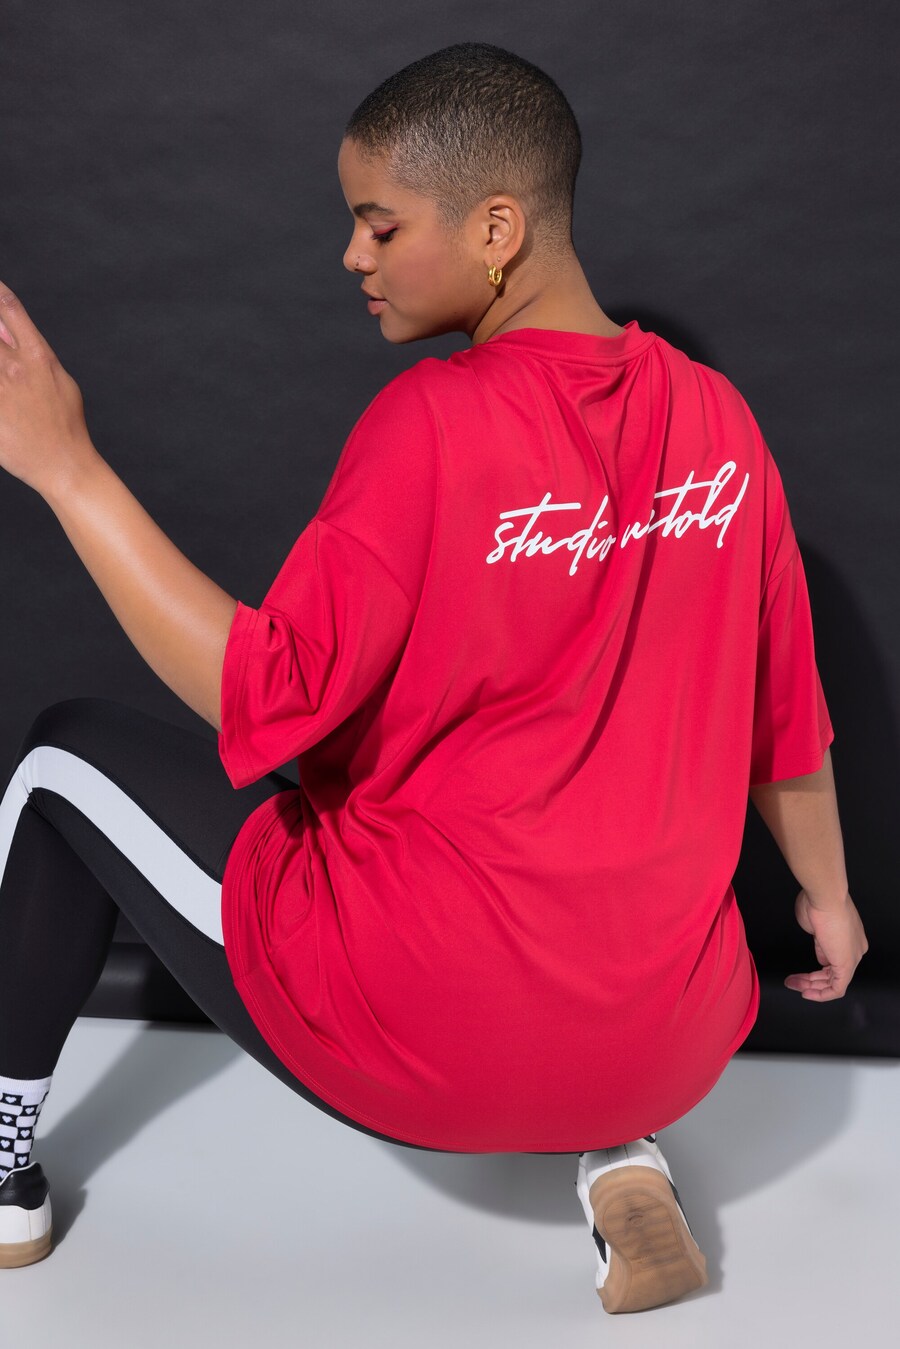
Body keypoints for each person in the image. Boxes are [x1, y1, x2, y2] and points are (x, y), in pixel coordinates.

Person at [0, 41, 868, 1312]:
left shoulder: (434, 423)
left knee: (58, 762)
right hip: (676, 1039)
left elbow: (264, 693)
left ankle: (2, 1178)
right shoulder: (723, 422)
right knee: (543, 843)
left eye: (380, 223)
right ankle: (619, 1143)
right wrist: (830, 902)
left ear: (496, 230)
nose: (353, 256)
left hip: (429, 1043)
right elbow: (784, 714)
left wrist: (66, 466)